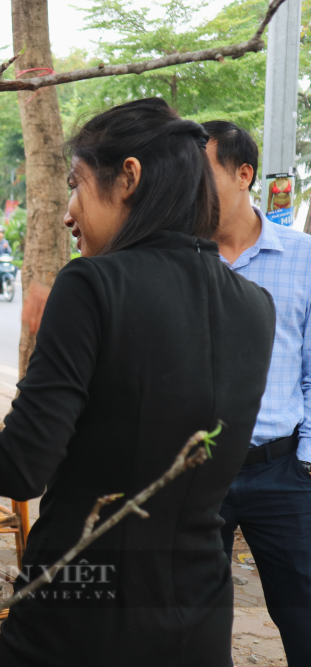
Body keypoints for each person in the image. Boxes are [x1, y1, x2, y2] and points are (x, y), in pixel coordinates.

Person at [0, 98, 275, 667]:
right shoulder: (255, 305)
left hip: (79, 614)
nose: (67, 211)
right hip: (197, 617)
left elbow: (20, 466)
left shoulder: (94, 284)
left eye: (76, 184)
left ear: (129, 177)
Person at [201, 120, 311, 666]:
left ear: (243, 174)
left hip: (282, 471)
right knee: (193, 620)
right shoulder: (181, 261)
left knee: (303, 615)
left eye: (202, 175)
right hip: (195, 471)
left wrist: (306, 463)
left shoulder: (303, 257)